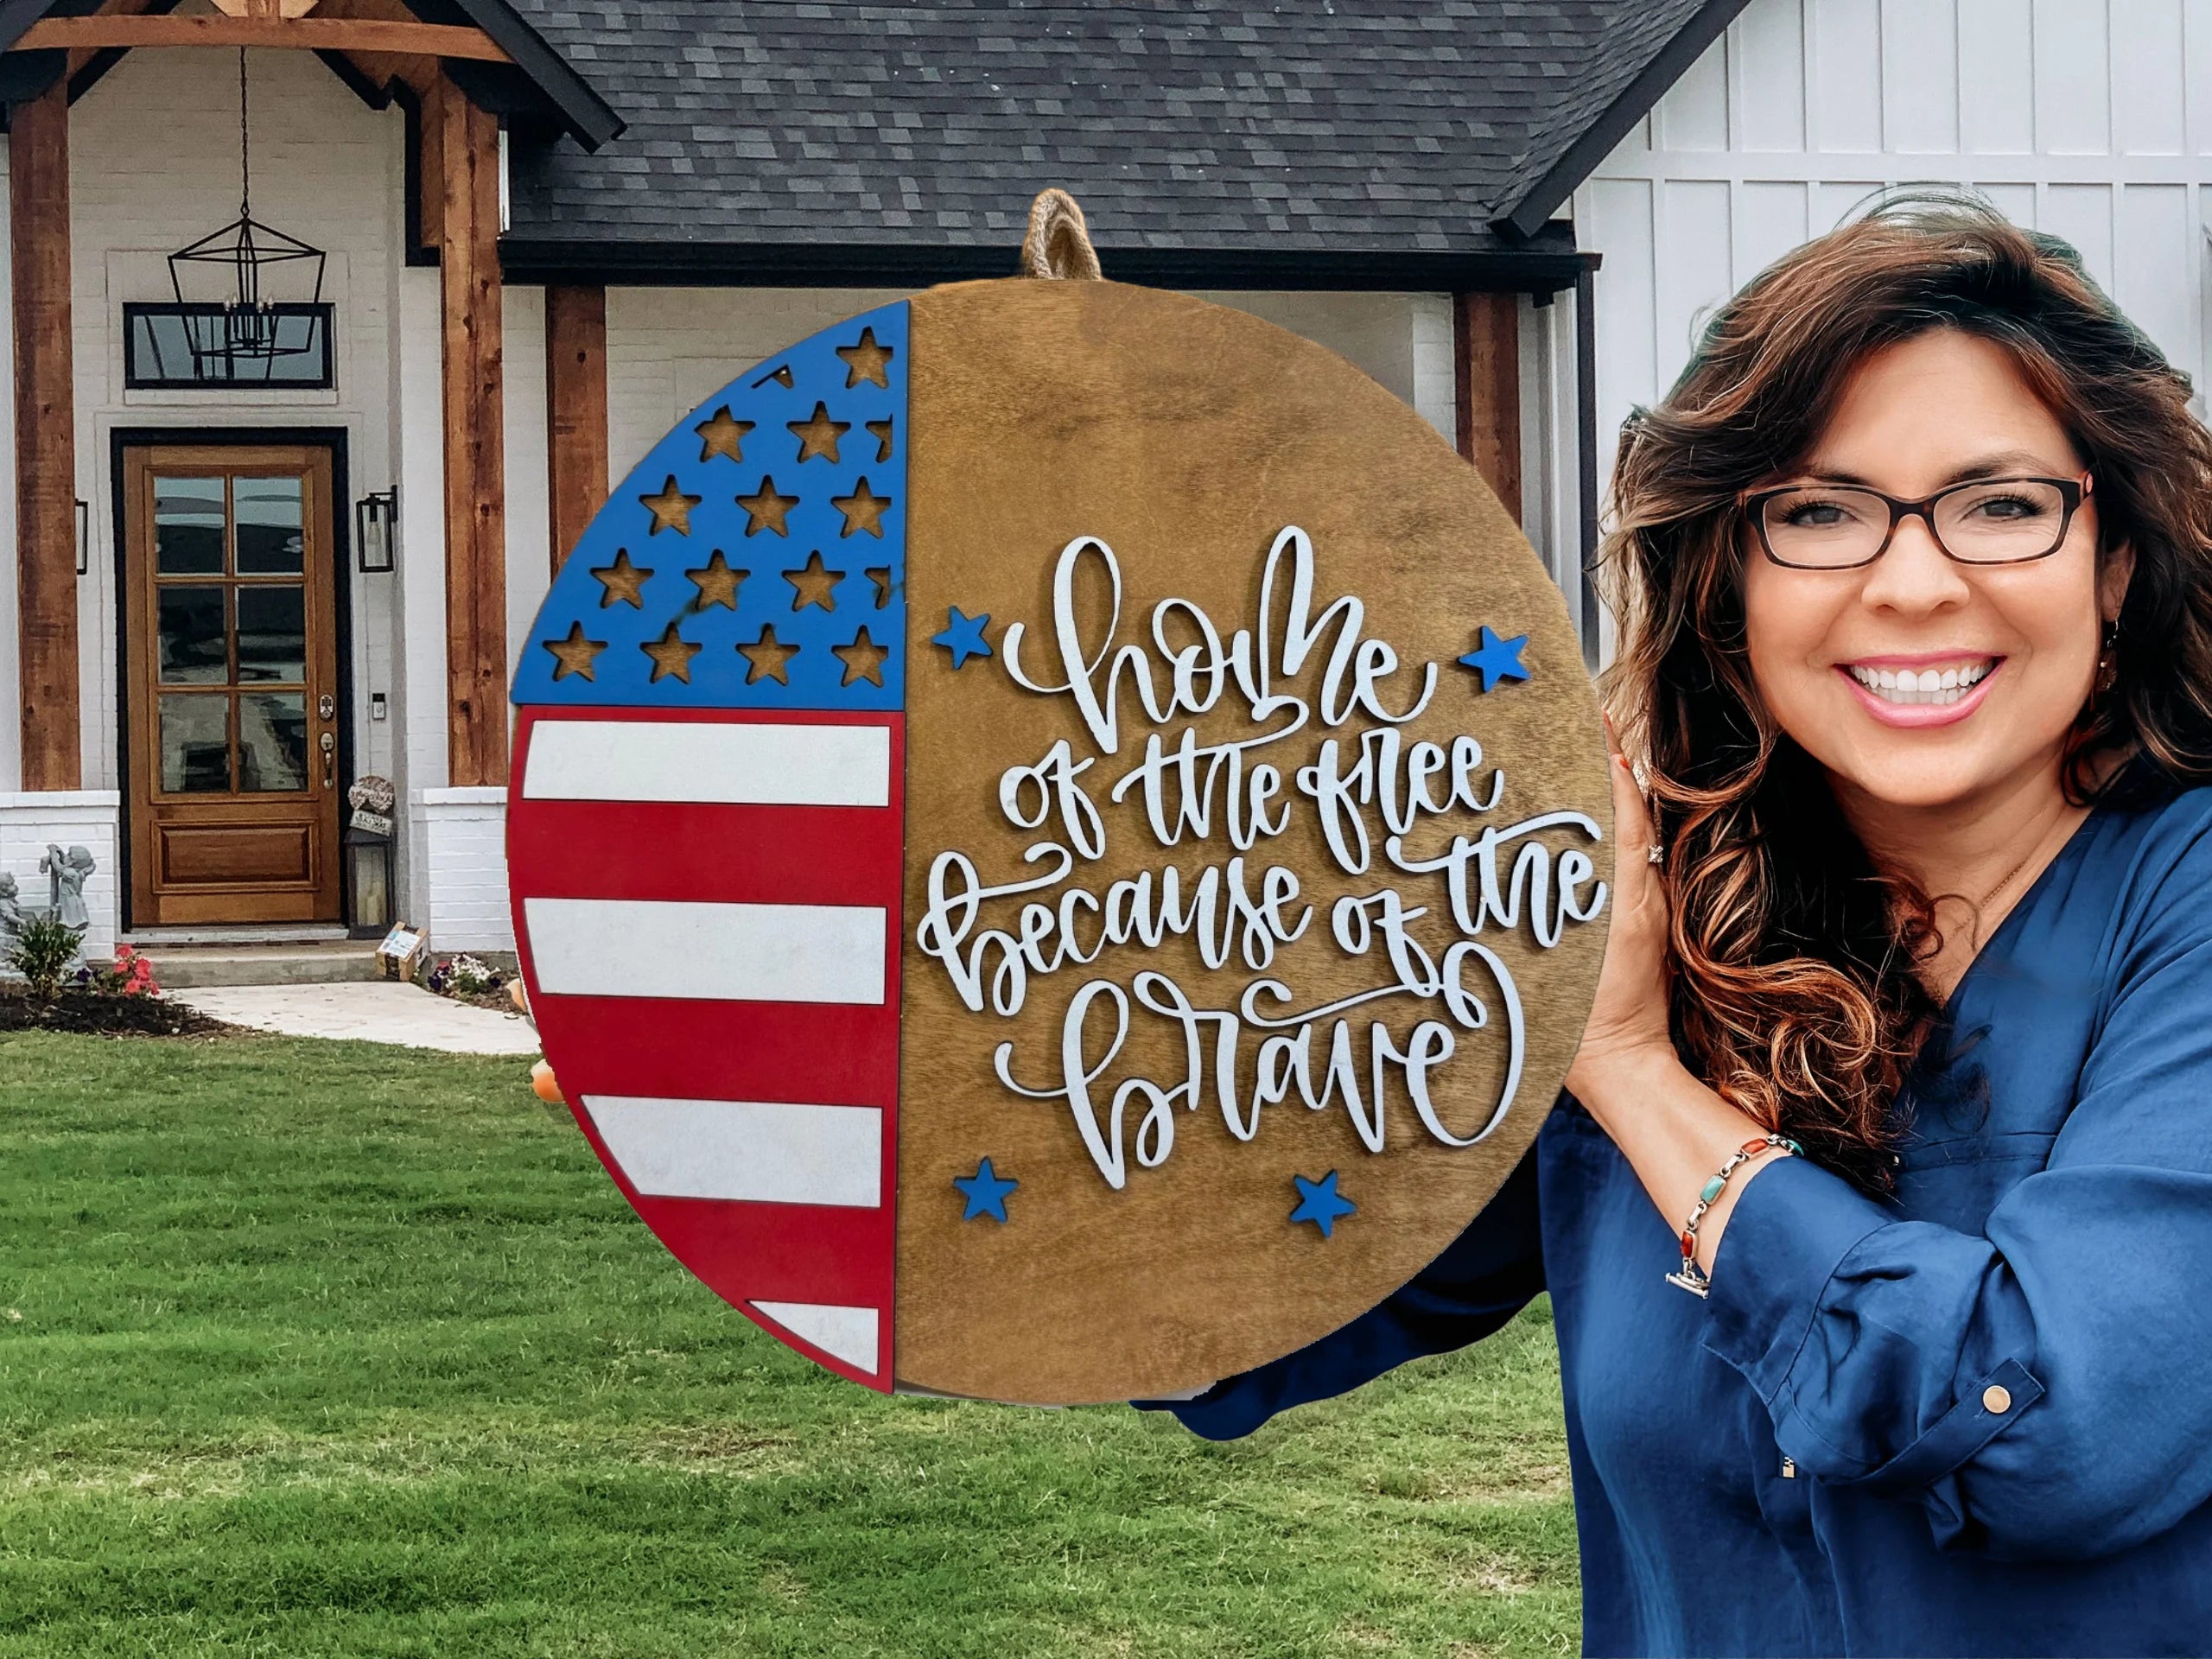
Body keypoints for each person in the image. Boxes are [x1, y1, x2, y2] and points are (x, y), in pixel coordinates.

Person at [1147, 193, 2212, 1657]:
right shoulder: (1650, 904)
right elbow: (1234, 1297)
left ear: (2119, 562)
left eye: (2005, 504)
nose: (1911, 583)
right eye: (1819, 512)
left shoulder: (2184, 909)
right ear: (1731, 580)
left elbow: (2052, 1431)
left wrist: (1637, 1072)